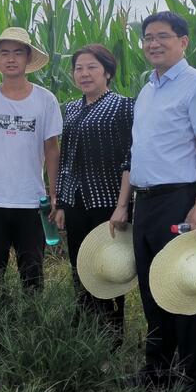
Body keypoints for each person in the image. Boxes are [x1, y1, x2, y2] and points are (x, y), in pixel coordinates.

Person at [125, 10, 196, 392]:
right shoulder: (147, 89)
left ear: (183, 41)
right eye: (147, 37)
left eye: (162, 36)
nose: (153, 43)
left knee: (181, 290)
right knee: (151, 288)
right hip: (145, 200)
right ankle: (157, 370)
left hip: (179, 199)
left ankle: (190, 381)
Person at [0, 27, 62, 292]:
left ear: (28, 59)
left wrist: (54, 194)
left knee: (32, 269)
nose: (11, 59)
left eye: (18, 53)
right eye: (5, 53)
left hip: (31, 199)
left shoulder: (45, 100)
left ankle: (31, 323)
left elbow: (52, 149)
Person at [53, 44, 134, 333]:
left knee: (109, 267)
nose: (84, 74)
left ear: (107, 73)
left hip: (107, 201)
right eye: (78, 68)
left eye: (92, 68)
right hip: (76, 200)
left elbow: (130, 156)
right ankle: (86, 324)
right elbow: (65, 159)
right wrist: (61, 202)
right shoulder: (72, 109)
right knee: (80, 263)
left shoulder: (123, 106)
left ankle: (112, 331)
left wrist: (123, 205)